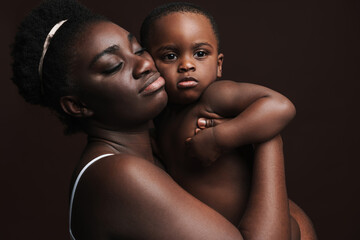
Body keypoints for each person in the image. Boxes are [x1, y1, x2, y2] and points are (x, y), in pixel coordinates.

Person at [12, 0, 303, 239]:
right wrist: (266, 136)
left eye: (138, 49)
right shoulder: (120, 174)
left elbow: (284, 216)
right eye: (113, 66)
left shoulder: (157, 153)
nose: (144, 64)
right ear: (77, 105)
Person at [140, 2, 317, 239]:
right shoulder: (157, 121)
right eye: (170, 56)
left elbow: (281, 106)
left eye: (200, 54)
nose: (187, 65)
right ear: (150, 65)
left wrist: (219, 138)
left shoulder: (214, 97)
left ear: (219, 65)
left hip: (268, 226)